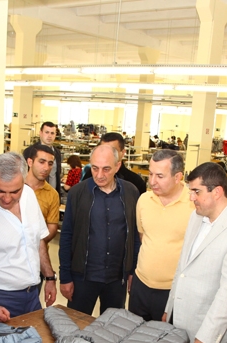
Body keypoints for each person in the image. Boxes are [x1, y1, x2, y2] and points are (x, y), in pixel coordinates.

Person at [164, 162, 227, 343]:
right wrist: (169, 310)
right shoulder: (196, 216)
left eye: (196, 192)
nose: (191, 198)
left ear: (217, 192)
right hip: (179, 323)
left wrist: (207, 337)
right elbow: (182, 268)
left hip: (209, 336)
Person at [0, 152, 57, 322]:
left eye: (14, 191)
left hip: (32, 296)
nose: (6, 199)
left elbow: (38, 239)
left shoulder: (28, 195)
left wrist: (49, 277)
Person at [59, 144, 139, 316]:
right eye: (95, 168)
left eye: (106, 169)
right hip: (83, 278)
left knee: (111, 326)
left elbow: (134, 236)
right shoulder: (77, 193)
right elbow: (67, 236)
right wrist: (65, 276)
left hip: (117, 280)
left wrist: (133, 270)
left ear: (117, 166)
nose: (99, 175)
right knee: (75, 324)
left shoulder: (130, 192)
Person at [129, 150, 194, 321]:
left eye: (160, 176)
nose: (152, 181)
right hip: (140, 285)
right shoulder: (144, 200)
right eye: (150, 174)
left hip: (173, 291)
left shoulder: (193, 204)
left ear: (177, 177)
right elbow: (143, 237)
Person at [80, 132, 146, 195]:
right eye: (103, 150)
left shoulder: (136, 183)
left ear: (123, 153)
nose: (107, 154)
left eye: (113, 151)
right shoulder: (90, 175)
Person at [22, 144, 60, 244]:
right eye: (42, 162)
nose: (46, 168)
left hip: (37, 249)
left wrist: (37, 243)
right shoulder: (15, 186)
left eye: (50, 164)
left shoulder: (52, 194)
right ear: (30, 162)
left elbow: (52, 227)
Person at [38, 121, 62, 190]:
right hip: (37, 193)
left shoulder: (57, 152)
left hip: (53, 193)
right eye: (47, 132)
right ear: (41, 133)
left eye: (52, 133)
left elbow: (57, 175)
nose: (49, 136)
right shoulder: (31, 151)